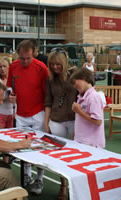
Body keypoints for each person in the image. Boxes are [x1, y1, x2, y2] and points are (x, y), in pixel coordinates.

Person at [7, 39, 49, 195]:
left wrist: (46, 118)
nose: (25, 61)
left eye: (28, 58)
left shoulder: (41, 68)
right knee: (23, 146)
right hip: (20, 114)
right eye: (22, 58)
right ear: (18, 54)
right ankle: (27, 175)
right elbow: (10, 87)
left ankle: (39, 178)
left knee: (38, 147)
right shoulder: (13, 66)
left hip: (38, 113)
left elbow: (47, 94)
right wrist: (10, 94)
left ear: (34, 53)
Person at [44, 48, 77, 200]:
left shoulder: (75, 74)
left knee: (76, 155)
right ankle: (63, 185)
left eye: (58, 64)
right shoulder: (50, 79)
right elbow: (48, 101)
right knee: (60, 156)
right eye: (52, 64)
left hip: (75, 120)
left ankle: (77, 184)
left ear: (64, 62)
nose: (55, 67)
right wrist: (46, 123)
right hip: (56, 120)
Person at [70, 67, 105, 148]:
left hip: (92, 144)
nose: (74, 86)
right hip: (81, 141)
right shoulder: (81, 97)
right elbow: (79, 121)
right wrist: (74, 137)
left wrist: (79, 111)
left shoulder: (93, 97)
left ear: (83, 78)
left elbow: (98, 121)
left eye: (74, 83)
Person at [0, 56, 14, 129]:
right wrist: (6, 98)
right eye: (0, 67)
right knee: (0, 136)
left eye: (4, 66)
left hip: (11, 114)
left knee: (10, 139)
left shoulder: (14, 80)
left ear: (9, 67)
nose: (2, 69)